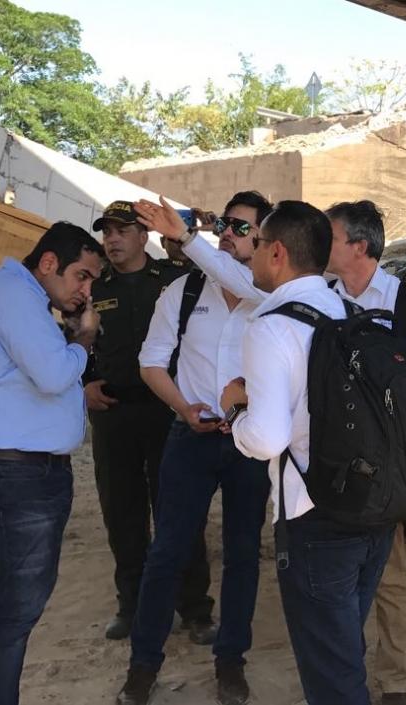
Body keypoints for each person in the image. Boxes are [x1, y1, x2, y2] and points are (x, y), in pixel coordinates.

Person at [221, 200, 395, 705]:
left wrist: (234, 410)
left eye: (255, 246)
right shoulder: (352, 314)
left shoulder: (272, 326)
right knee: (343, 654)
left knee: (333, 680)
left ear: (276, 252)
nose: (250, 257)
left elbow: (268, 439)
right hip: (371, 507)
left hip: (314, 518)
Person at [116, 192, 276, 705]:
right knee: (168, 551)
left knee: (243, 556)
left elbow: (241, 283)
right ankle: (143, 664)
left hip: (249, 443)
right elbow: (151, 362)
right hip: (190, 438)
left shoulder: (270, 296)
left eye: (241, 227)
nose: (228, 232)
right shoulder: (182, 293)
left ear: (266, 241)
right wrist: (185, 409)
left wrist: (188, 239)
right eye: (225, 224)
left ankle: (231, 661)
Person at [0, 222, 104, 705]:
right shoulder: (14, 297)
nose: (85, 289)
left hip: (12, 469)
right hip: (14, 474)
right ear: (48, 264)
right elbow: (55, 374)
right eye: (81, 276)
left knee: (14, 605)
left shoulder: (17, 297)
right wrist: (85, 340)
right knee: (14, 610)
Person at [325, 200, 406, 705]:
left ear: (359, 245)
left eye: (327, 237)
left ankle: (395, 682)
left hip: (387, 467)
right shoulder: (321, 297)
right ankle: (343, 676)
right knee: (334, 577)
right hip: (330, 461)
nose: (319, 246)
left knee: (389, 577)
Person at [83, 200, 214, 643]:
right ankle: (132, 605)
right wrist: (85, 382)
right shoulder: (92, 287)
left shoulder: (175, 280)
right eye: (107, 233)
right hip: (113, 412)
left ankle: (195, 609)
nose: (112, 240)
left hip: (167, 410)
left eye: (122, 230)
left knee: (178, 508)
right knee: (122, 511)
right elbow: (74, 339)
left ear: (143, 236)